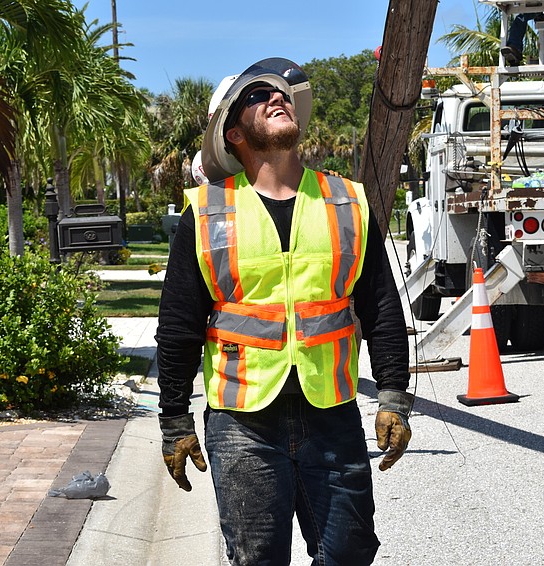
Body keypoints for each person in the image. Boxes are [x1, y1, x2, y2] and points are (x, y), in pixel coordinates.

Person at [155, 57, 413, 565]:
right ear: (234, 134)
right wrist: (173, 419)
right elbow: (179, 326)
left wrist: (393, 395)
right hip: (243, 422)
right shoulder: (207, 213)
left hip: (331, 413)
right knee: (258, 559)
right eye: (257, 95)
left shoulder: (347, 202)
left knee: (349, 553)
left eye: (280, 93)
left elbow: (381, 305)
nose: (276, 96)